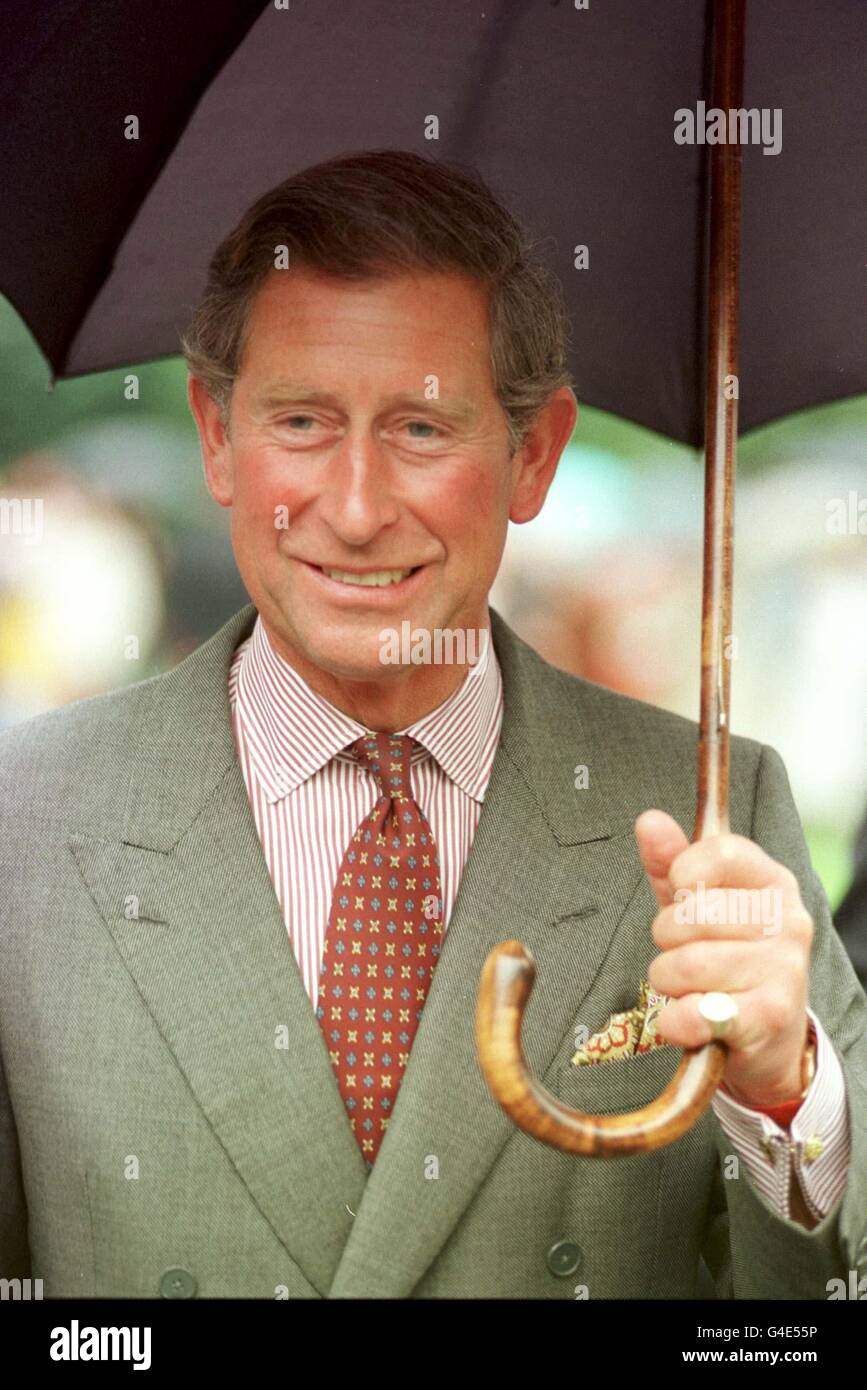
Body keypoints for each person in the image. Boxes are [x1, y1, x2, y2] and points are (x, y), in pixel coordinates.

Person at [1, 149, 865, 1300]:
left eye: (421, 428)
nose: (356, 510)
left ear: (535, 453)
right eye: (301, 420)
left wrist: (782, 1095)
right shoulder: (24, 824)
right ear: (215, 435)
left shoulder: (718, 813)